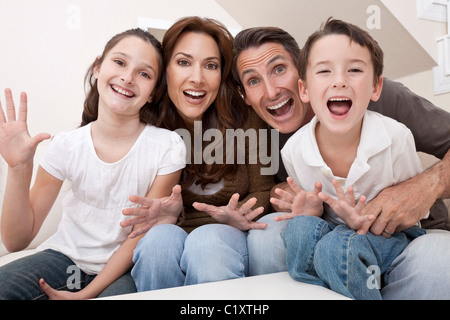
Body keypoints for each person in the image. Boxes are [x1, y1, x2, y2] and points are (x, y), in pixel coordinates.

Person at [233, 25, 450, 299]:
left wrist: (426, 185)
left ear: (300, 71)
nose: (272, 91)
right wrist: (284, 195)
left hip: (406, 235)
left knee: (438, 260)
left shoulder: (386, 106)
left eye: (278, 69)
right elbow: (272, 192)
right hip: (332, 234)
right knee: (269, 236)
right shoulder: (273, 137)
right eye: (253, 81)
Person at [0, 28, 186, 300]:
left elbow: (140, 233)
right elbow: (17, 241)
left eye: (144, 74)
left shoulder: (168, 146)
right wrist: (18, 169)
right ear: (98, 67)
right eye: (120, 62)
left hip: (124, 268)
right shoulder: (66, 145)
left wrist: (86, 294)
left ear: (152, 94)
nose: (127, 77)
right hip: (64, 259)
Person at [279, 18, 426, 300]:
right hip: (334, 234)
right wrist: (311, 211)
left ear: (375, 87)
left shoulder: (396, 138)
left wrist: (367, 220)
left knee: (339, 247)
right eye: (324, 71)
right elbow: (315, 224)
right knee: (299, 230)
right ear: (304, 90)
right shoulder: (295, 150)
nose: (339, 81)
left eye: (355, 70)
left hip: (392, 236)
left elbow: (413, 210)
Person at [126, 17, 274, 291]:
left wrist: (237, 214)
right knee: (157, 245)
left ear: (222, 74)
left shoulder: (248, 119)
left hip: (226, 234)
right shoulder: (145, 121)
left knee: (206, 245)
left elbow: (266, 190)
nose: (197, 78)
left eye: (211, 66)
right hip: (168, 231)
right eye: (184, 62)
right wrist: (173, 216)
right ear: (164, 69)